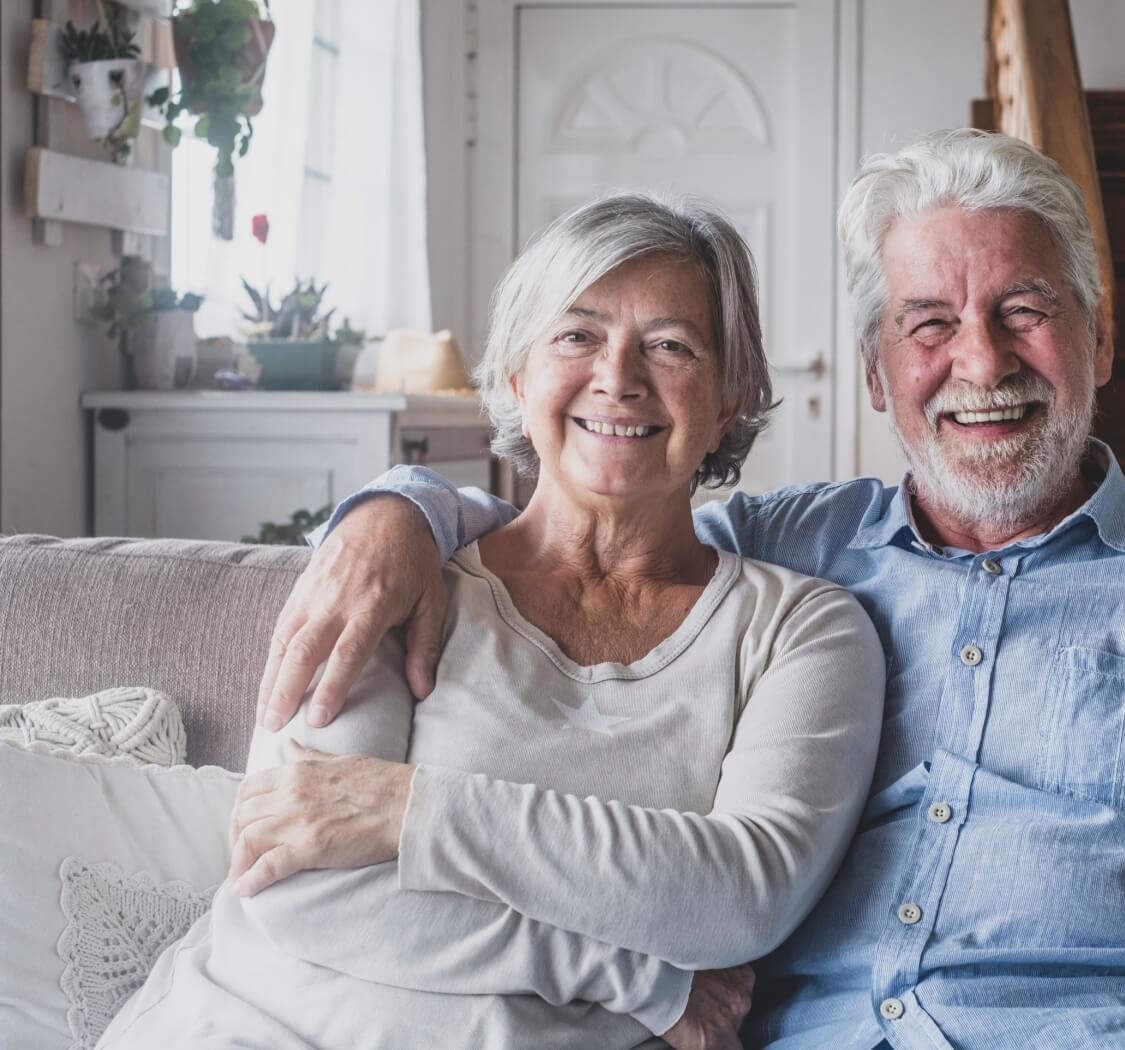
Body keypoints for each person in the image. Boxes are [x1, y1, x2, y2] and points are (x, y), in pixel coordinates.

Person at [257, 131, 1125, 1048]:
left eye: (1025, 311)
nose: (980, 361)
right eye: (929, 323)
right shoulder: (780, 555)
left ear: (1098, 342)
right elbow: (583, 523)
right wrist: (398, 512)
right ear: (877, 374)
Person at [99, 193, 885, 1050]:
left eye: (669, 345)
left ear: (731, 398)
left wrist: (409, 811)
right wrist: (644, 978)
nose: (618, 377)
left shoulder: (800, 632)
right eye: (576, 335)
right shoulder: (396, 576)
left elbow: (738, 897)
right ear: (518, 376)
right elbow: (296, 885)